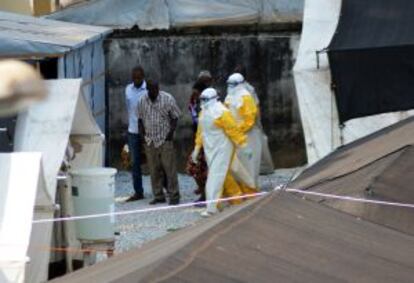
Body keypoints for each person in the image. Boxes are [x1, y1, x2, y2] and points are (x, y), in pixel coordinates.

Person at [191, 88, 247, 217]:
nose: (202, 102)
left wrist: (243, 144)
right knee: (224, 176)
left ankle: (212, 208)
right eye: (201, 99)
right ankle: (237, 201)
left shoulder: (222, 112)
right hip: (211, 149)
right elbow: (201, 132)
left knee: (215, 177)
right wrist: (197, 148)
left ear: (213, 98)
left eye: (205, 99)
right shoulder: (203, 113)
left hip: (223, 148)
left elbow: (233, 130)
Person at [138, 80, 181, 205]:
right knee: (154, 169)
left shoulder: (167, 99)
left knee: (170, 169)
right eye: (151, 89)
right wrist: (142, 136)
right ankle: (158, 195)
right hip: (150, 140)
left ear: (158, 88)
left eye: (156, 89)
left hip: (164, 138)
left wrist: (170, 134)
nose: (154, 91)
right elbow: (140, 120)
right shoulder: (142, 101)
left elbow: (175, 117)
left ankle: (174, 195)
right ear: (148, 89)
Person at [225, 73, 263, 192]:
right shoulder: (230, 96)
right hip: (235, 136)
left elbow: (250, 119)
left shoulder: (246, 97)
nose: (230, 86)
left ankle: (251, 190)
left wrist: (237, 130)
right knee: (238, 165)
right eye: (229, 83)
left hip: (248, 136)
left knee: (249, 164)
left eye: (233, 84)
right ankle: (241, 190)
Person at [124, 66, 146, 202]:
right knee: (134, 162)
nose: (136, 80)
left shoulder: (149, 89)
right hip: (133, 131)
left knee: (156, 161)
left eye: (138, 77)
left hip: (148, 131)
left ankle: (163, 189)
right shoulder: (128, 89)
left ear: (143, 76)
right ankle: (138, 191)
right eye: (134, 78)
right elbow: (129, 108)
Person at [186, 81, 208, 204]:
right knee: (194, 167)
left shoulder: (206, 104)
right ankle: (203, 190)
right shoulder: (193, 102)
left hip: (206, 140)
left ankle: (205, 194)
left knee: (201, 168)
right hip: (198, 138)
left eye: (196, 91)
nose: (194, 93)